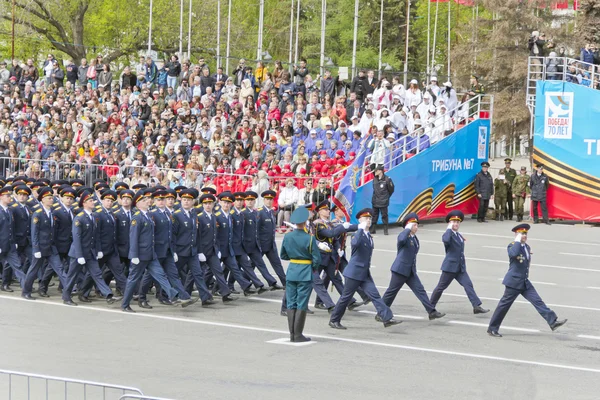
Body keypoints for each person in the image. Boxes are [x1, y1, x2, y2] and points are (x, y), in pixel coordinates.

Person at [487, 224, 567, 337]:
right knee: (503, 306)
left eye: (525, 234)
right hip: (513, 282)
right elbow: (514, 254)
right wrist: (517, 240)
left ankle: (552, 321)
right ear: (516, 235)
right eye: (521, 233)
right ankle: (492, 329)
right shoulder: (513, 246)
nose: (524, 235)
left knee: (537, 301)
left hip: (524, 281)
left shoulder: (527, 247)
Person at [329, 208, 401, 330]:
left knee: (375, 295)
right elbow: (355, 244)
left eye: (369, 218)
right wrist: (360, 229)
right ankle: (334, 320)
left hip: (364, 273)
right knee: (345, 298)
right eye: (365, 218)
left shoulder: (368, 236)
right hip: (354, 273)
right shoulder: (358, 234)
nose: (368, 220)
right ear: (359, 220)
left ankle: (386, 318)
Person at [380, 212, 446, 320]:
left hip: (410, 271)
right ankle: (381, 312)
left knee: (420, 290)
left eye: (416, 225)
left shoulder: (414, 238)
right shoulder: (404, 236)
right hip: (400, 271)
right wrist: (407, 229)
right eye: (413, 225)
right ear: (408, 225)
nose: (416, 227)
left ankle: (431, 311)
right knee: (391, 292)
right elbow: (401, 239)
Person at [62, 190, 121, 306]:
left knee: (97, 274)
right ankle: (66, 296)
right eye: (90, 201)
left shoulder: (93, 217)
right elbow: (77, 238)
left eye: (92, 200)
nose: (93, 202)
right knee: (72, 276)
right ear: (84, 203)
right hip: (78, 253)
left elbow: (96, 236)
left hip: (90, 252)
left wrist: (98, 250)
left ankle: (108, 294)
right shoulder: (79, 218)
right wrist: (79, 255)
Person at [429, 210, 489, 314]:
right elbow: (446, 240)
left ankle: (476, 306)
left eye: (457, 222)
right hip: (450, 267)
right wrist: (448, 228)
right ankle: (430, 307)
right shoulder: (448, 234)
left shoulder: (458, 235)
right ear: (449, 223)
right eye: (453, 222)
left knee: (468, 285)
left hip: (460, 267)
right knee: (440, 287)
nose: (456, 224)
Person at [280, 207, 321, 342]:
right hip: (305, 272)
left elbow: (283, 255)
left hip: (292, 271)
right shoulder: (309, 238)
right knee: (301, 303)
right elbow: (316, 259)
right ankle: (298, 334)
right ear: (305, 222)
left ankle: (292, 334)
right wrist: (312, 268)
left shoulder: (288, 236)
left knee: (291, 303)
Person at [370, 165, 394, 235]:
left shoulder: (387, 179)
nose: (375, 172)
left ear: (380, 171)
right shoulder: (375, 179)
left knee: (384, 215)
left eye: (376, 171)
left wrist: (386, 197)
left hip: (383, 200)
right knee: (374, 215)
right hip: (375, 200)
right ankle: (373, 229)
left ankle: (385, 229)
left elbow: (391, 190)